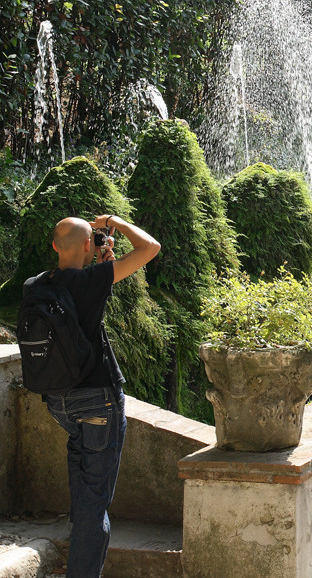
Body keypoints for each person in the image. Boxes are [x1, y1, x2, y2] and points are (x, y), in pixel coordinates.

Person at [43, 214, 160, 576]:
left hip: (59, 402)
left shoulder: (38, 285)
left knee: (84, 491)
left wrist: (98, 264)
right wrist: (116, 222)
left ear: (53, 247)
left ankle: (80, 552)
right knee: (95, 505)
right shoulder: (92, 280)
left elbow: (79, 307)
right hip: (98, 401)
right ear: (87, 245)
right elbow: (150, 247)